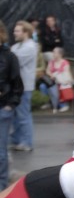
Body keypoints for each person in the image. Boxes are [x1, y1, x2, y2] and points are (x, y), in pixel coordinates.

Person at [0, 20, 25, 189]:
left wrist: (10, 105)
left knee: (0, 152)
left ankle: (1, 186)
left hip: (2, 108)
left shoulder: (9, 56)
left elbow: (17, 84)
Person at [10, 20, 39, 153]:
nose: (14, 33)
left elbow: (13, 63)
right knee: (15, 115)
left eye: (17, 31)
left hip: (24, 86)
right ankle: (17, 141)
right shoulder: (16, 47)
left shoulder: (30, 47)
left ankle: (27, 142)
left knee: (23, 115)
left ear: (26, 32)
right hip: (15, 86)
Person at [39, 46, 74, 113]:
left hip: (61, 81)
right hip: (52, 81)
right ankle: (50, 101)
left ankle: (62, 104)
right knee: (42, 86)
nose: (53, 54)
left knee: (58, 87)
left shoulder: (65, 63)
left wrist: (58, 77)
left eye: (54, 52)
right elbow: (48, 71)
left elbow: (66, 73)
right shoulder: (51, 62)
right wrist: (52, 75)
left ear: (60, 54)